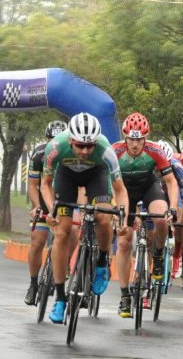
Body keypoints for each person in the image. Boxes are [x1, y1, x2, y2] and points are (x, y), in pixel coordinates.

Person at [40, 113, 129, 324]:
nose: (85, 151)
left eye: (90, 146)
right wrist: (52, 209)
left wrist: (123, 215)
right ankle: (60, 298)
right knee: (62, 233)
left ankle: (101, 262)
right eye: (80, 146)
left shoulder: (105, 150)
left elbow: (120, 189)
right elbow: (45, 184)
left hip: (96, 175)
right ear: (70, 140)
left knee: (104, 216)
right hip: (66, 176)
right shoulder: (55, 147)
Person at [112, 112, 177, 318]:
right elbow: (108, 184)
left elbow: (171, 182)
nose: (135, 144)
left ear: (145, 138)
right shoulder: (115, 152)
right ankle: (124, 296)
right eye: (131, 139)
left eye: (139, 139)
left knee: (160, 216)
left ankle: (157, 255)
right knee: (123, 242)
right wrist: (115, 209)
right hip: (124, 192)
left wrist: (173, 209)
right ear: (125, 137)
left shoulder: (154, 150)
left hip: (149, 187)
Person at [24, 119, 68, 306]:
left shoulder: (71, 152)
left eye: (59, 140)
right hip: (44, 196)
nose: (55, 144)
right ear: (46, 139)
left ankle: (62, 270)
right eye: (51, 140)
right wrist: (36, 206)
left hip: (65, 196)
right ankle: (34, 284)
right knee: (37, 241)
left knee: (68, 235)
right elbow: (33, 185)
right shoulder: (39, 154)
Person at [156, 139, 183, 279]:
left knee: (179, 218)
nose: (161, 169)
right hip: (155, 189)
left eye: (165, 165)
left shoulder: (180, 171)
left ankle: (178, 254)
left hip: (174, 188)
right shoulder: (148, 164)